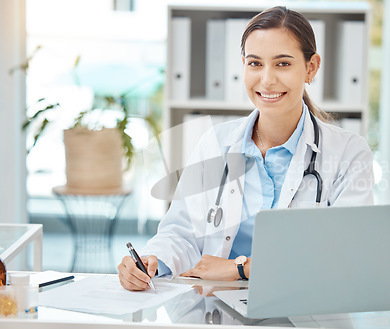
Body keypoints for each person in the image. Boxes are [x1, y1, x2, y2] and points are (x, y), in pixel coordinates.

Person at [118, 6, 374, 291]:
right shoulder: (216, 143)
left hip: (306, 307)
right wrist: (154, 260)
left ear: (311, 67)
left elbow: (345, 253)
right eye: (255, 63)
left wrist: (242, 268)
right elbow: (182, 231)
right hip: (217, 306)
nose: (266, 80)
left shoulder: (348, 152)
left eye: (283, 64)